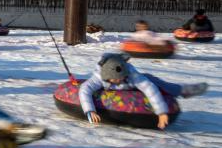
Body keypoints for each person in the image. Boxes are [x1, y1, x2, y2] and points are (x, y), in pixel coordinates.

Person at [79, 53, 208, 130]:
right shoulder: (99, 78)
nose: (118, 81)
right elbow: (85, 90)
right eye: (115, 79)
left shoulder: (132, 75)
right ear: (106, 76)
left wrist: (161, 112)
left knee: (156, 83)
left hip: (135, 84)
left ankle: (182, 90)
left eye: (121, 78)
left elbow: (150, 89)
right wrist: (90, 110)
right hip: (113, 91)